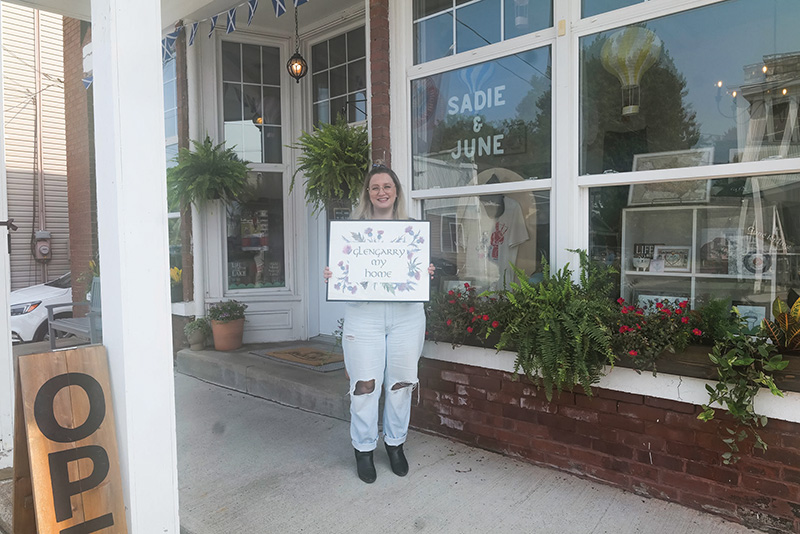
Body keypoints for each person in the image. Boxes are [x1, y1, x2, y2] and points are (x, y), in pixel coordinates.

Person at [323, 165, 435, 483]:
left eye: (387, 186)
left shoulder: (412, 230)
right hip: (364, 316)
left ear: (396, 191)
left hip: (407, 316)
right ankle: (363, 449)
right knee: (364, 386)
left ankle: (395, 444)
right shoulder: (352, 232)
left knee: (401, 383)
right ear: (367, 194)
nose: (381, 192)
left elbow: (418, 271)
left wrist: (424, 273)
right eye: (375, 187)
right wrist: (333, 276)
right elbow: (342, 271)